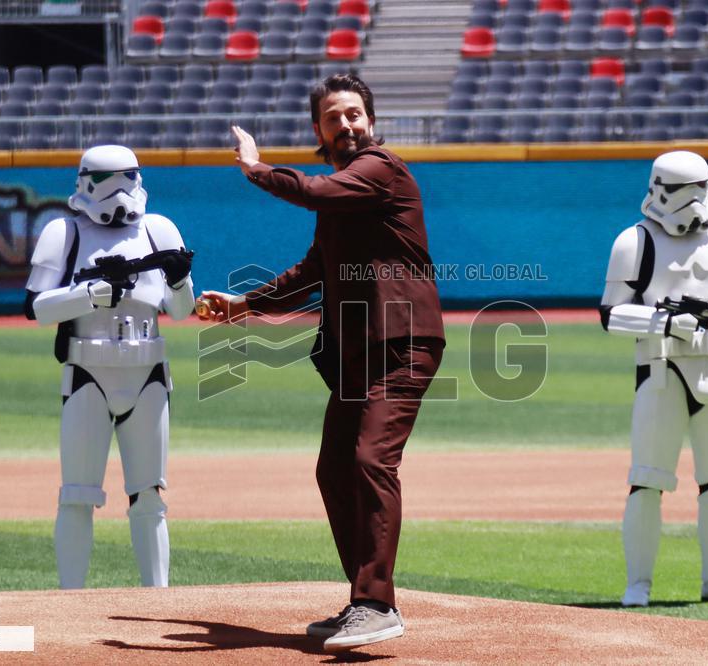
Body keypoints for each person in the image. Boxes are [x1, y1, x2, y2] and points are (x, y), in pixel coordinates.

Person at [197, 74, 445, 652]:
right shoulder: (342, 192)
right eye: (335, 118)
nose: (348, 125)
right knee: (334, 468)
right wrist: (246, 305)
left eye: (355, 114)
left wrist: (256, 169)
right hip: (359, 351)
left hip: (403, 341)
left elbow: (311, 191)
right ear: (319, 130)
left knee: (369, 458)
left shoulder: (381, 169)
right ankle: (363, 600)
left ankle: (377, 603)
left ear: (372, 121)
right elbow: (313, 269)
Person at [599, 150, 708, 608]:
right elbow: (611, 314)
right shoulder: (635, 242)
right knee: (648, 479)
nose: (695, 201)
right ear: (659, 189)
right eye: (682, 191)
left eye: (702, 190)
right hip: (662, 370)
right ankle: (639, 583)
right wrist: (666, 324)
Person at [24, 145, 194, 589]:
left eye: (127, 177)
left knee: (149, 497)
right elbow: (35, 307)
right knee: (77, 494)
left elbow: (180, 310)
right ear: (84, 183)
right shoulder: (65, 232)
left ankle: (157, 599)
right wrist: (91, 294)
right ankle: (71, 600)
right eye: (105, 180)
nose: (117, 191)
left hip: (148, 372)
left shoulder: (158, 230)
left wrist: (178, 278)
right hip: (88, 372)